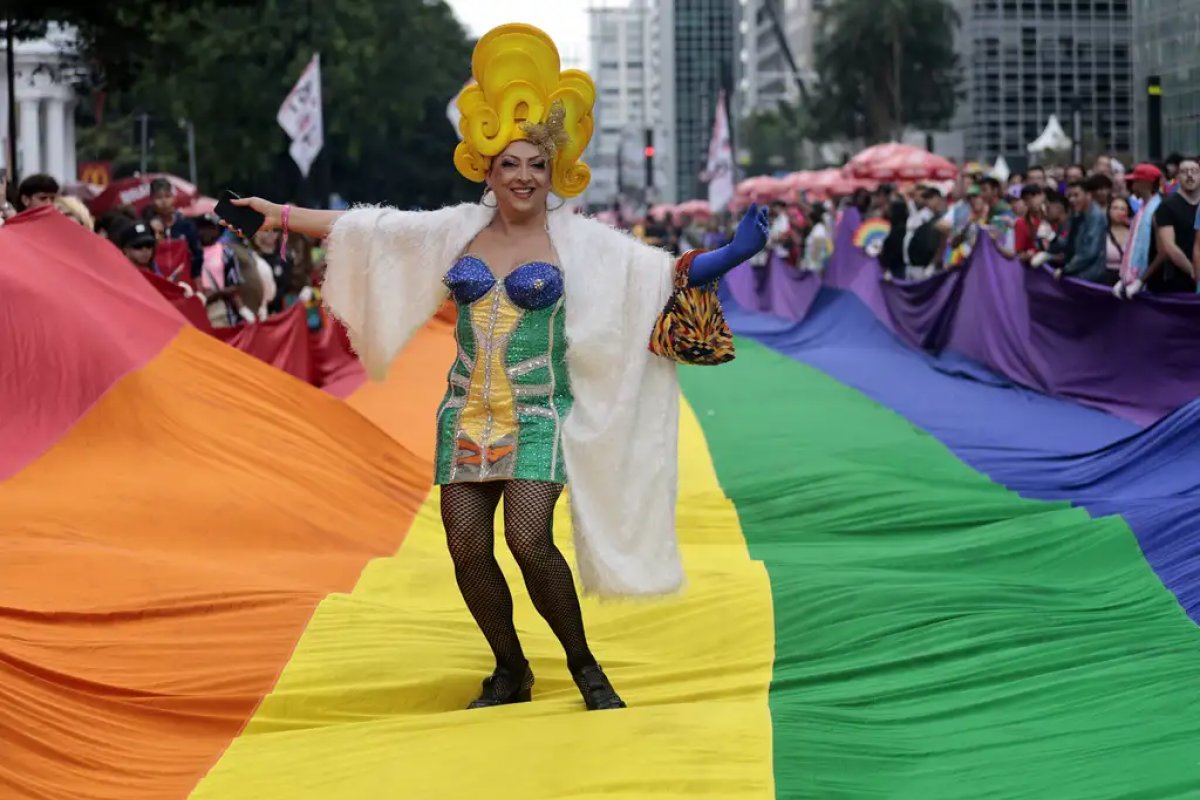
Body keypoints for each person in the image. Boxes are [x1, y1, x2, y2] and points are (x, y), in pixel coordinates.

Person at [224, 23, 770, 712]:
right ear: (488, 171)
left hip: (541, 414)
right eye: (509, 164)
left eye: (535, 166)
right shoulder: (457, 231)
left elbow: (660, 274)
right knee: (466, 548)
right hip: (465, 416)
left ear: (553, 174)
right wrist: (276, 214)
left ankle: (585, 668)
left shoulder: (579, 243)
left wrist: (731, 253)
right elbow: (369, 228)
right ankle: (510, 668)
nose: (522, 176)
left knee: (528, 537)